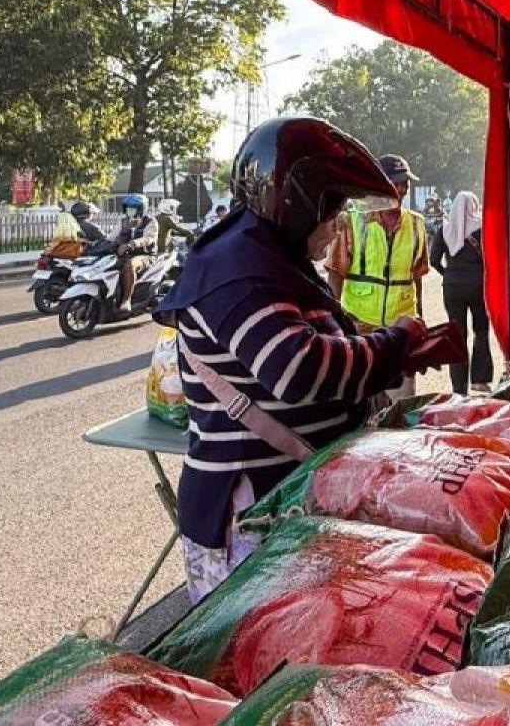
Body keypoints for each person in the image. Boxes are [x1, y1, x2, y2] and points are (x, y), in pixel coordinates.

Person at [154, 117, 425, 602]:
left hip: (289, 506)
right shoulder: (237, 267)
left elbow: (322, 341)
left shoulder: (273, 258)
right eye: (332, 208)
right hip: (252, 518)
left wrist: (387, 345)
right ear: (298, 203)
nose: (338, 223)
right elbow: (296, 369)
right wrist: (394, 345)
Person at [325, 153, 429, 400]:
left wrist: (420, 318)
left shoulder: (416, 224)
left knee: (401, 404)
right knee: (362, 401)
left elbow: (417, 276)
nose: (402, 189)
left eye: (405, 183)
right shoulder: (352, 221)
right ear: (378, 185)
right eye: (396, 183)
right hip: (360, 328)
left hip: (401, 329)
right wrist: (333, 321)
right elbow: (335, 273)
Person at [430, 190, 493, 395]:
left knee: (458, 336)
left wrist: (448, 274)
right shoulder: (482, 229)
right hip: (477, 287)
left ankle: (459, 388)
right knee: (481, 330)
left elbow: (434, 260)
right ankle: (480, 379)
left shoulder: (444, 230)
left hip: (452, 289)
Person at [112, 193, 158, 312]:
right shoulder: (123, 222)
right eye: (128, 207)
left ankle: (126, 300)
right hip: (125, 254)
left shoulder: (150, 222)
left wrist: (131, 244)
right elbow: (111, 236)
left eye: (133, 207)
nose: (129, 210)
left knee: (129, 265)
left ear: (141, 209)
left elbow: (148, 239)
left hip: (145, 255)